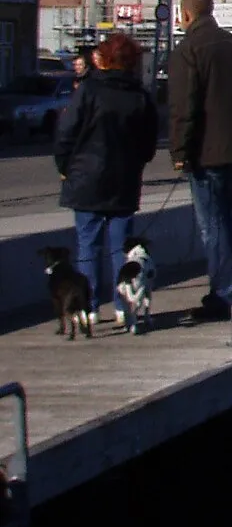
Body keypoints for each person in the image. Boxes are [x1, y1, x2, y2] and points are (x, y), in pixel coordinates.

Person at [167, 0, 232, 322]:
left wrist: (179, 150)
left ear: (186, 15)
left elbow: (184, 106)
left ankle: (224, 293)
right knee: (224, 219)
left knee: (213, 224)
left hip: (205, 152)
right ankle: (225, 287)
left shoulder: (188, 50)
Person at [52, 32, 159, 325]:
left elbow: (65, 133)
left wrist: (65, 166)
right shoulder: (139, 96)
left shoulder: (88, 91)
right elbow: (149, 143)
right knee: (120, 247)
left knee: (88, 245)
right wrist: (137, 162)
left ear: (104, 59)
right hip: (123, 180)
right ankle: (123, 307)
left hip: (85, 178)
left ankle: (90, 308)